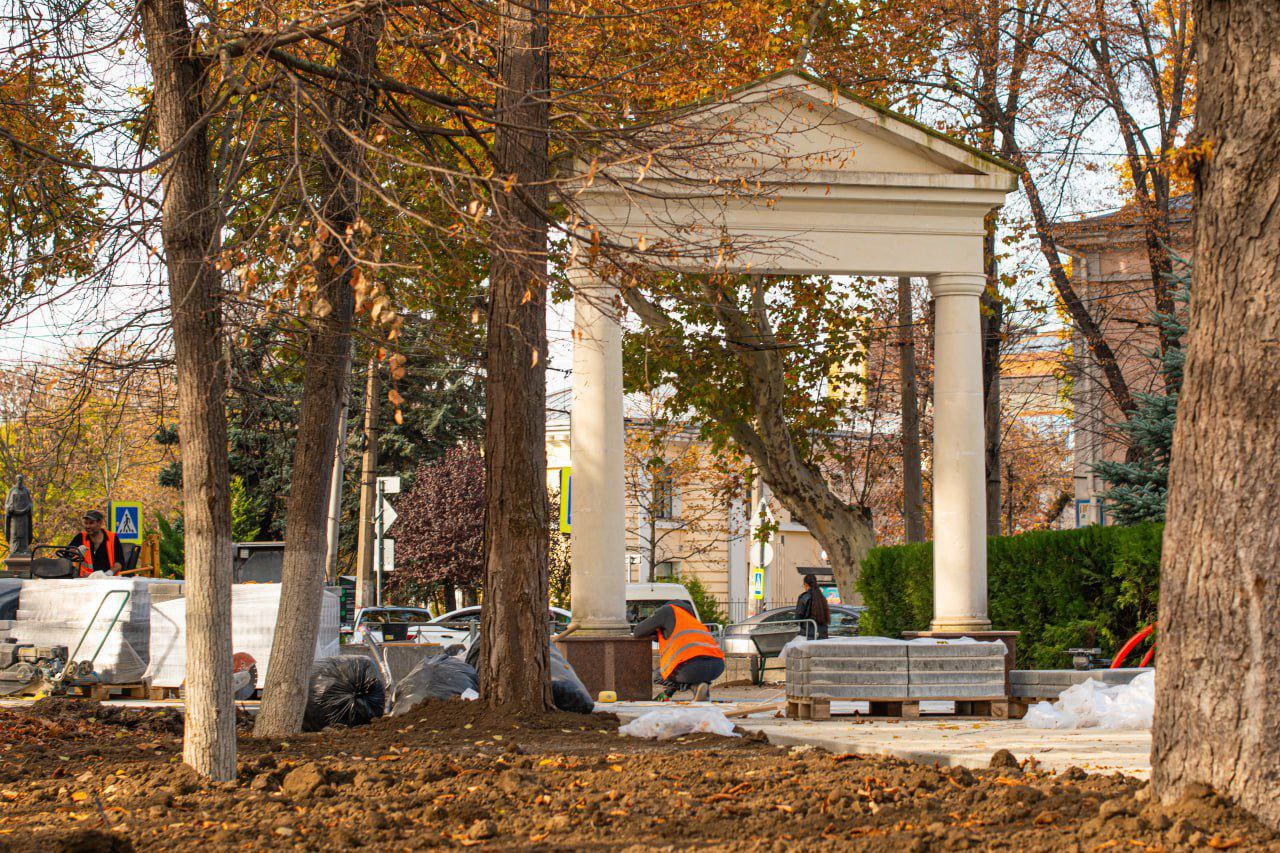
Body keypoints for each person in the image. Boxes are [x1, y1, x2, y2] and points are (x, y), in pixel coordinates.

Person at [632, 600, 725, 701]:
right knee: (691, 670)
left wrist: (654, 631)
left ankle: (695, 687)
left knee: (657, 675)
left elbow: (638, 631)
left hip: (691, 668)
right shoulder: (692, 620)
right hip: (717, 667)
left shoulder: (667, 610)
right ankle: (701, 689)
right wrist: (668, 693)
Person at [66, 510, 123, 577]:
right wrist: (76, 551)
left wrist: (110, 573)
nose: (87, 526)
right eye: (86, 523)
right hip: (85, 580)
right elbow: (67, 555)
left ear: (100, 523)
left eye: (91, 523)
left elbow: (120, 562)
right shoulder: (80, 537)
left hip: (108, 581)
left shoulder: (113, 538)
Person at [795, 573, 831, 640]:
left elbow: (798, 617)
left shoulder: (804, 597)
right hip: (823, 634)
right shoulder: (822, 598)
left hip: (808, 635)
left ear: (806, 584)